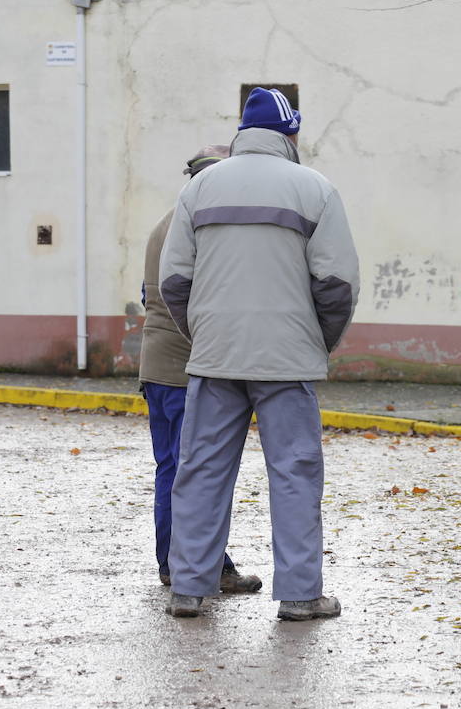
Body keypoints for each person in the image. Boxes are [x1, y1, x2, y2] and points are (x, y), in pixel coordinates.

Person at [160, 87, 359, 622]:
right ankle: (299, 595)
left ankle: (189, 589)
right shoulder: (314, 188)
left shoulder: (199, 188)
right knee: (294, 473)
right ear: (289, 134)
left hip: (215, 356)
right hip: (287, 359)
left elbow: (173, 280)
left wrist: (201, 334)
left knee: (200, 471)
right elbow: (337, 284)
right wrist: (318, 340)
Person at [140, 144, 261, 595]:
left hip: (157, 366)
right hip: (188, 368)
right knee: (196, 473)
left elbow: (147, 294)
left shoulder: (162, 225)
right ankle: (197, 565)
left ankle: (183, 561)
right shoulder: (200, 225)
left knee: (172, 467)